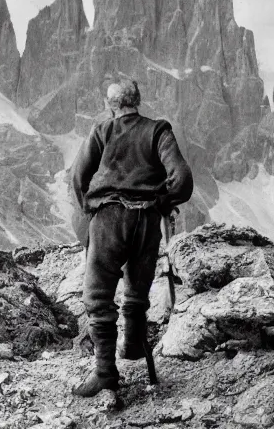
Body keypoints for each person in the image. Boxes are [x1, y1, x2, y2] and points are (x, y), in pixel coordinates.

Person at [69, 79, 193, 396]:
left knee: (98, 296)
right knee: (137, 290)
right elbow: (182, 179)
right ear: (137, 100)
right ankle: (135, 347)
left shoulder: (103, 130)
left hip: (108, 220)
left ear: (112, 105)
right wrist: (162, 202)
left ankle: (106, 374)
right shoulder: (158, 130)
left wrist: (89, 208)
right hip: (147, 220)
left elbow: (79, 175)